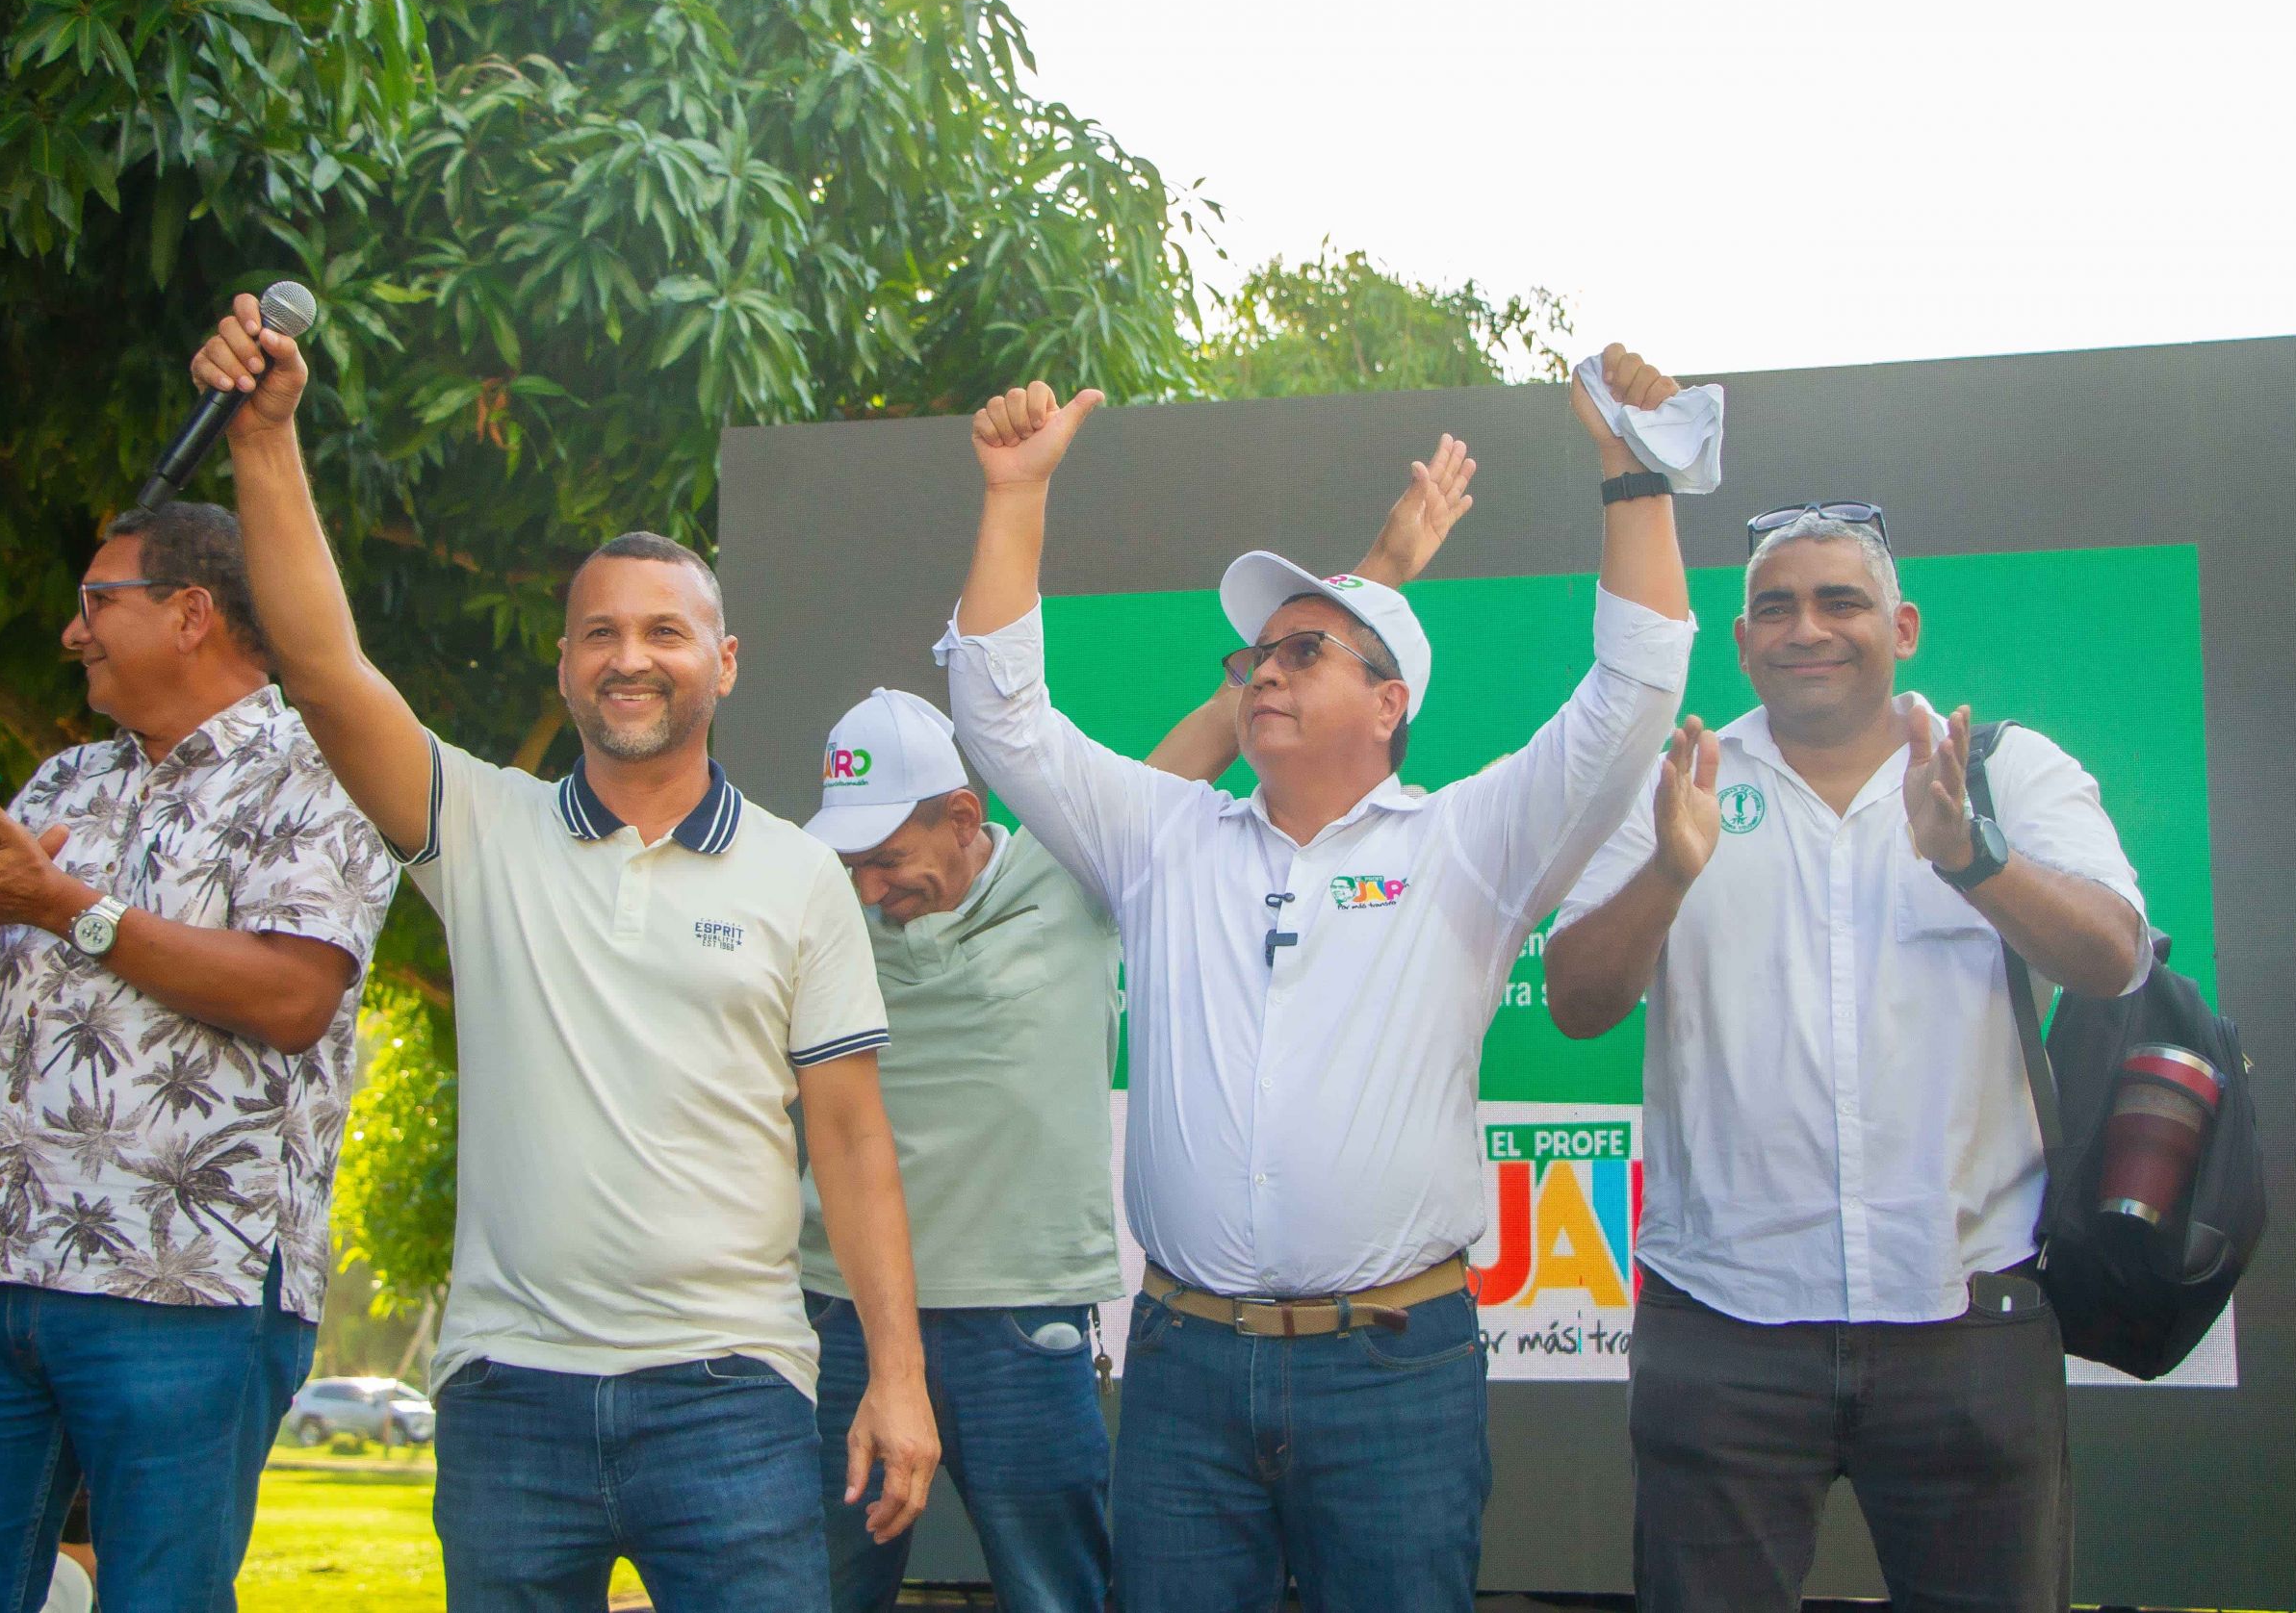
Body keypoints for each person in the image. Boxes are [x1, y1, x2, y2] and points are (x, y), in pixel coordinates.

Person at [186, 293, 938, 1610]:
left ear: (725, 660)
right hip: (510, 1396)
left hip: (733, 1395)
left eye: (663, 630)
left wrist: (898, 1374)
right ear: (565, 664)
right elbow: (320, 664)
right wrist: (264, 435)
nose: (630, 657)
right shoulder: (481, 825)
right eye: (600, 631)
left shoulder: (800, 876)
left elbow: (855, 1141)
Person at [937, 351, 1696, 1611]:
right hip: (1182, 1367)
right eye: (1255, 655)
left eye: (1304, 650)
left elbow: (1632, 695)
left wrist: (1635, 471)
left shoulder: (1468, 842)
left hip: (1392, 1372)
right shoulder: (1163, 837)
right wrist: (1014, 496)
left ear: (1390, 702)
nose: (1264, 670)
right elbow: (1002, 715)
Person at [798, 442, 1479, 1613]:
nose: (869, 884)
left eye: (890, 856)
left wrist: (1383, 571)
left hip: (1022, 1329)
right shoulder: (820, 909)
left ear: (964, 816)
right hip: (845, 1318)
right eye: (847, 859)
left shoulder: (1085, 872)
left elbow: (1259, 703)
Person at [1545, 502, 2153, 1613]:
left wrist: (1974, 860)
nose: (1805, 629)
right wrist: (1669, 875)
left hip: (1964, 1321)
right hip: (1723, 1326)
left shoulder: (2002, 773)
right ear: (1740, 643)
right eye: (1773, 607)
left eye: (1840, 602)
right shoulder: (1676, 778)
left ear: (1903, 625)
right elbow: (1577, 1003)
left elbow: (2114, 959)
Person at [0, 501, 397, 1610]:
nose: (73, 634)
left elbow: (295, 996)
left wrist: (64, 904)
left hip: (183, 1288)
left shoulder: (322, 775)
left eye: (95, 605)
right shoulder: (62, 785)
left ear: (190, 613)